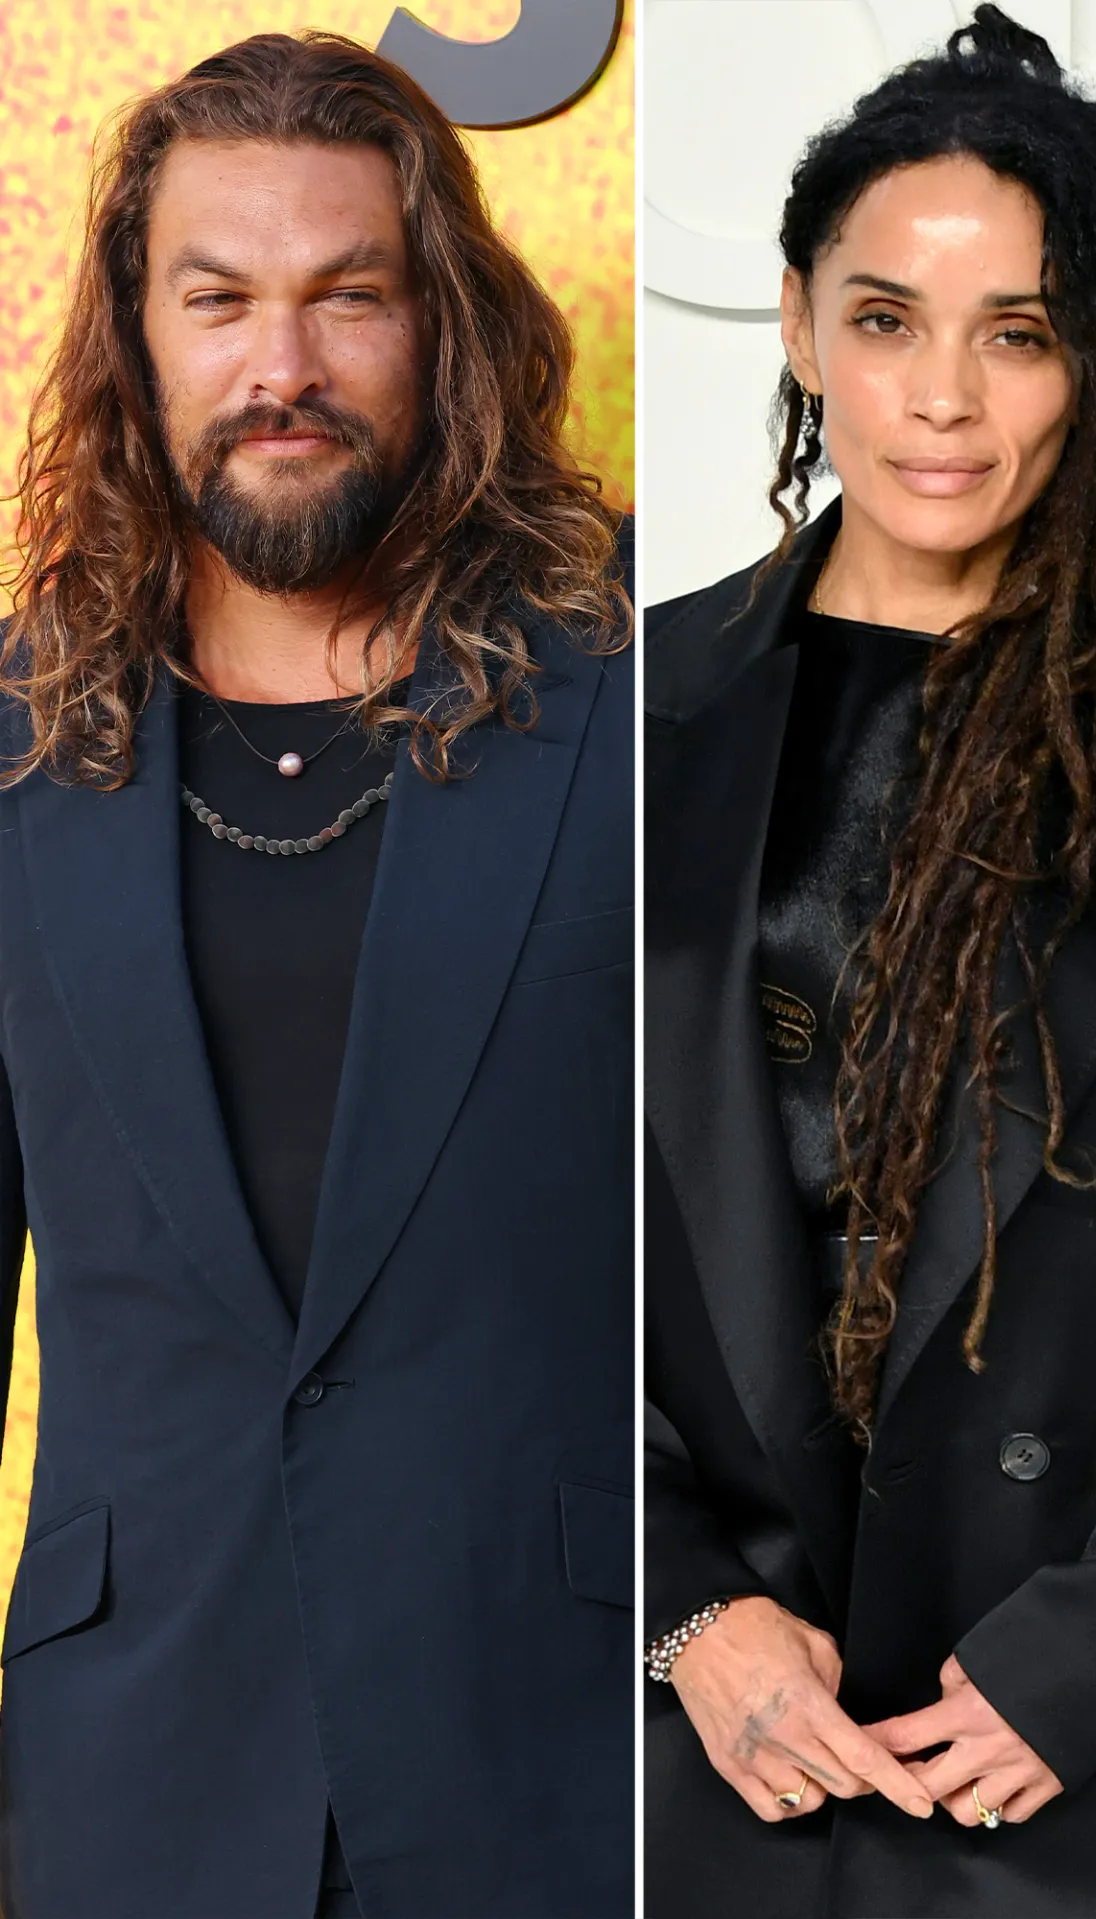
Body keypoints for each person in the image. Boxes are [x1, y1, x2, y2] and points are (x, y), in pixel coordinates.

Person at [644, 10, 1096, 1917]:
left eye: (1017, 333)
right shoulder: (628, 715)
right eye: (886, 319)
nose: (941, 399)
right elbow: (504, 1249)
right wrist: (683, 1609)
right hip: (720, 1747)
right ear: (796, 324)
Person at [0, 33, 632, 1919]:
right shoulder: (13, 748)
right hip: (127, 1777)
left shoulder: (640, 701)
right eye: (219, 300)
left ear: (443, 326)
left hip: (561, 1760)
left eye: (347, 296)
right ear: (137, 338)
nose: (281, 367)